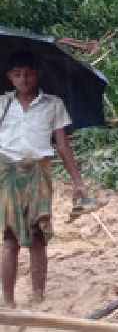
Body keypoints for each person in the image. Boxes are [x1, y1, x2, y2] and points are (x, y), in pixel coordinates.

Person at [0, 51, 87, 307]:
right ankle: (8, 300)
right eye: (17, 74)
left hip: (40, 172)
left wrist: (78, 181)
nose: (23, 79)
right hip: (7, 174)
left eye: (28, 73)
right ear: (9, 77)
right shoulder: (2, 104)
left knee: (38, 236)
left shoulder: (53, 104)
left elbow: (62, 144)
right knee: (10, 239)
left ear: (37, 74)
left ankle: (38, 297)